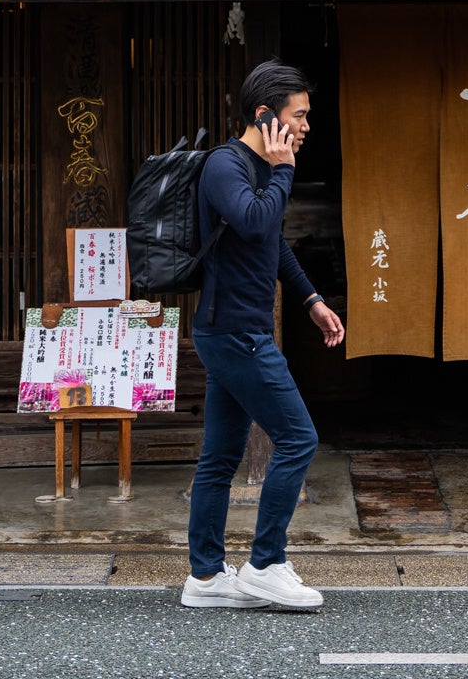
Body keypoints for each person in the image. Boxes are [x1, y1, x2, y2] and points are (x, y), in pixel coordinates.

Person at [180, 60, 345, 612]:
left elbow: (271, 243)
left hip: (237, 332)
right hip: (236, 335)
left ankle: (205, 578)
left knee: (220, 457)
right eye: (298, 116)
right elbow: (253, 221)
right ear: (265, 114)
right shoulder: (226, 166)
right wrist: (283, 171)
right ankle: (266, 563)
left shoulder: (258, 168)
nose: (305, 126)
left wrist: (312, 301)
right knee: (299, 438)